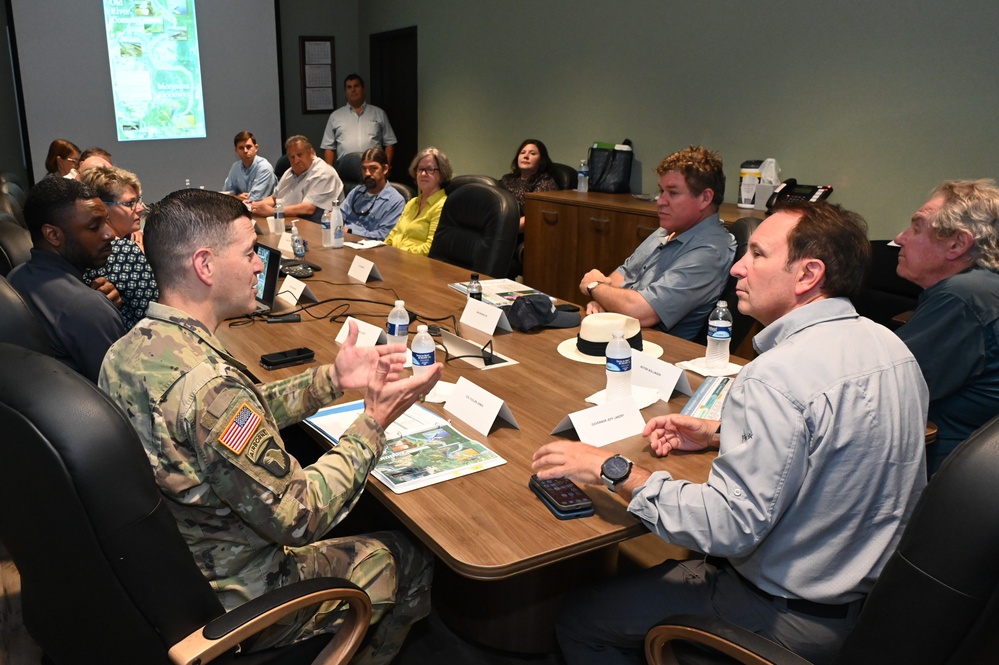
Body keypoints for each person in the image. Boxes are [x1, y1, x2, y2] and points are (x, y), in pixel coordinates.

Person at [534, 201, 929, 664]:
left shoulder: (775, 376)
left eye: (758, 255)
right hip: (873, 608)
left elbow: (728, 527)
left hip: (783, 615)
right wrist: (720, 433)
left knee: (580, 618)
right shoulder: (892, 347)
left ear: (808, 275)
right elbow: (844, 436)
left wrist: (613, 467)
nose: (738, 267)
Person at [99, 189, 442, 662]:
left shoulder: (129, 349)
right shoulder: (211, 389)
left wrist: (333, 379)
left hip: (168, 569)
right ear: (205, 265)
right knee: (403, 557)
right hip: (237, 594)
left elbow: (237, 416)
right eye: (249, 253)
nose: (261, 266)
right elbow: (301, 517)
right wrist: (373, 424)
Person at [893, 178, 999, 476]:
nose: (900, 237)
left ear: (957, 243)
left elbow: (887, 387)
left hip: (947, 470)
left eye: (916, 228)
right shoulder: (983, 288)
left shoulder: (964, 297)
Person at [579, 145, 735, 340]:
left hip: (656, 350)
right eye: (661, 191)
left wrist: (595, 287)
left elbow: (642, 311)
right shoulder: (669, 229)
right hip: (621, 333)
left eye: (673, 193)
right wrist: (607, 299)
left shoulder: (710, 252)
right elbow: (624, 273)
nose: (660, 201)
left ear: (705, 198)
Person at [8, 176, 124, 382]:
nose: (110, 234)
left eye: (106, 221)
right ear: (52, 234)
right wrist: (97, 309)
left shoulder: (16, 276)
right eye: (94, 227)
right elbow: (125, 395)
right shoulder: (87, 308)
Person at [80, 165, 158, 329]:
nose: (140, 208)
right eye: (130, 203)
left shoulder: (91, 247)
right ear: (102, 207)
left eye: (138, 200)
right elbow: (156, 313)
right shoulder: (123, 250)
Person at [252, 136, 343, 223]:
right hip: (290, 219)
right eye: (292, 157)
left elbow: (308, 208)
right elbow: (274, 198)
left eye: (300, 155)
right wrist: (256, 206)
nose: (296, 160)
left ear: (312, 153)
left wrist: (273, 211)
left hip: (317, 225)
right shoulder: (290, 172)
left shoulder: (324, 173)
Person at [383, 147, 451, 256]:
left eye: (430, 169)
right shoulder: (412, 202)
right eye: (420, 169)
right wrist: (384, 250)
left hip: (417, 265)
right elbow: (394, 233)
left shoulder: (442, 205)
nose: (423, 174)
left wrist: (399, 254)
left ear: (442, 173)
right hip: (394, 259)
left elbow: (430, 248)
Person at [321, 73, 397, 166]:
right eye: (349, 87)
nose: (353, 90)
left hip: (374, 167)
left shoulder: (379, 113)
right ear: (345, 92)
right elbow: (328, 147)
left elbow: (389, 143)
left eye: (356, 86)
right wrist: (330, 173)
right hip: (346, 169)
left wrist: (386, 167)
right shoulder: (335, 116)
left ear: (363, 89)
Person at [340, 147, 405, 240]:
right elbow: (340, 214)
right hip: (343, 240)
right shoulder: (357, 191)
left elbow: (384, 235)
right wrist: (333, 216)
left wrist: (350, 231)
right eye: (364, 168)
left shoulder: (395, 201)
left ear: (385, 169)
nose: (367, 173)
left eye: (373, 168)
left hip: (370, 249)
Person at [500, 138, 558, 230]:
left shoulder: (545, 182)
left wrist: (504, 228)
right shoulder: (508, 179)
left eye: (532, 153)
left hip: (525, 232)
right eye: (522, 153)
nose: (525, 156)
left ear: (541, 160)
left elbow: (534, 215)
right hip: (501, 225)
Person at [223, 130, 277, 203]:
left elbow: (254, 199)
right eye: (241, 148)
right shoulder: (235, 167)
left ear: (256, 148)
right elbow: (226, 195)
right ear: (236, 151)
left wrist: (235, 197)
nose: (245, 151)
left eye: (248, 147)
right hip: (244, 209)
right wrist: (237, 197)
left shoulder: (264, 167)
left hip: (265, 211)